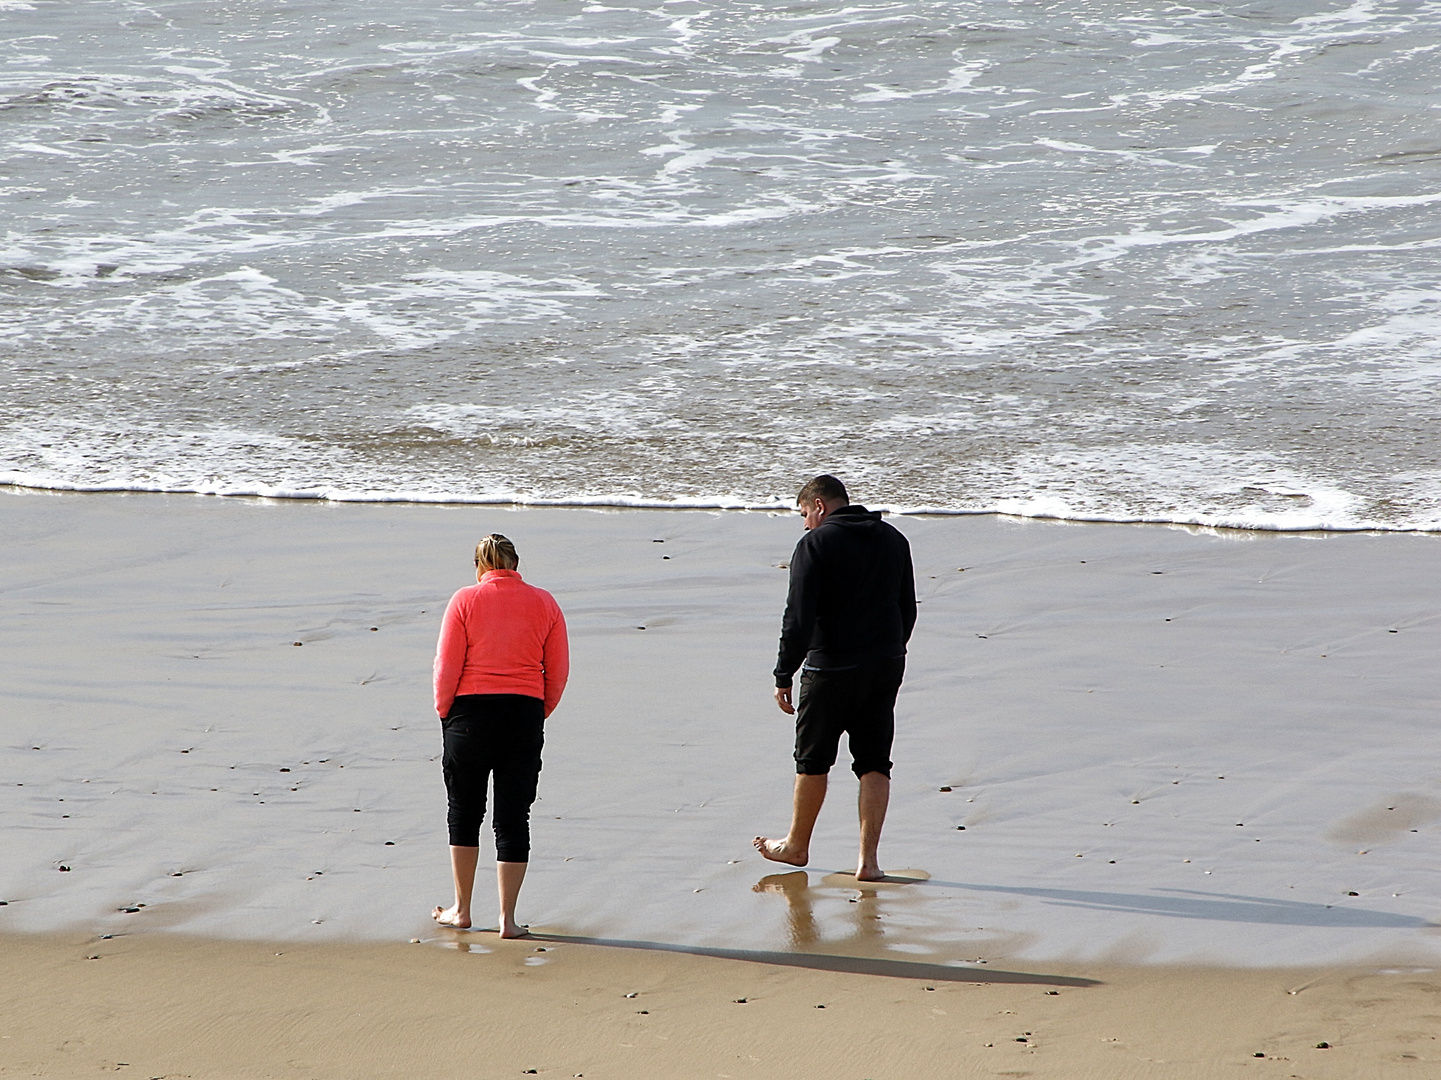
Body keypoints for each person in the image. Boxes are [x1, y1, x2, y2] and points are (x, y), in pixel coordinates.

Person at [754, 475, 916, 881]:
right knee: (875, 761)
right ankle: (869, 862)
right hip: (885, 664)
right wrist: (891, 650)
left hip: (830, 669)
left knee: (812, 760)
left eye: (805, 513)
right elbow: (906, 608)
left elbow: (798, 617)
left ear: (820, 506)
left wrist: (783, 672)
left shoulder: (815, 544)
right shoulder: (894, 539)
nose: (805, 522)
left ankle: (795, 846)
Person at [431, 533, 568, 938]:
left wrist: (445, 713)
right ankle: (508, 920)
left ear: (479, 567)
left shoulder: (464, 600)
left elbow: (446, 667)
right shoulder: (544, 602)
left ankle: (463, 910)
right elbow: (557, 672)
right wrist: (537, 712)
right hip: (523, 714)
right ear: (516, 563)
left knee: (464, 812)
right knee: (512, 818)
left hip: (469, 716)